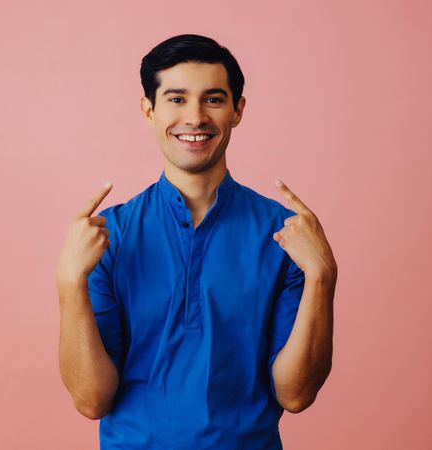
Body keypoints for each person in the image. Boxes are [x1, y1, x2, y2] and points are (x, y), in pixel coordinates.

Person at [56, 33, 337, 449]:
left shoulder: (285, 235)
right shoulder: (106, 237)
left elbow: (295, 394)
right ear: (147, 110)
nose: (195, 117)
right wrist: (69, 282)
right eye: (176, 99)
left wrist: (322, 277)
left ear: (237, 110)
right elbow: (91, 400)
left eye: (213, 99)